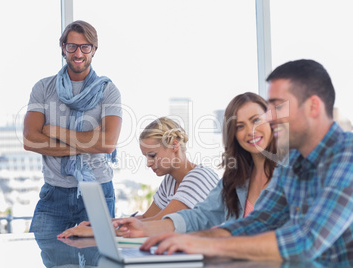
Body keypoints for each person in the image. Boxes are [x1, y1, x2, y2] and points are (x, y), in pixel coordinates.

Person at [141, 59, 353, 264]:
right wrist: (194, 239)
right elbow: (259, 221)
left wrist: (208, 246)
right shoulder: (294, 162)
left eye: (278, 107)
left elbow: (305, 241)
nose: (270, 117)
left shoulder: (347, 155)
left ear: (313, 106)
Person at [111, 92, 279, 238]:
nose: (250, 131)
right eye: (240, 126)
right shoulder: (235, 178)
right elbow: (199, 216)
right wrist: (141, 228)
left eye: (256, 120)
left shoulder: (293, 173)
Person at [23, 20, 122, 233]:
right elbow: (30, 139)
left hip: (97, 190)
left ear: (94, 49)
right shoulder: (43, 88)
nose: (78, 53)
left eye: (85, 46)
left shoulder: (108, 91)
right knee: (46, 260)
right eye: (72, 46)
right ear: (63, 48)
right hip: (53, 193)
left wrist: (54, 132)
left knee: (98, 261)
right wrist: (87, 142)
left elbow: (108, 144)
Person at [58, 117, 220, 238]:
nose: (148, 163)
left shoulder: (199, 178)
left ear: (174, 145)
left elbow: (157, 223)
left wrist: (95, 231)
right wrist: (101, 223)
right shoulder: (171, 180)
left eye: (152, 155)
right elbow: (145, 218)